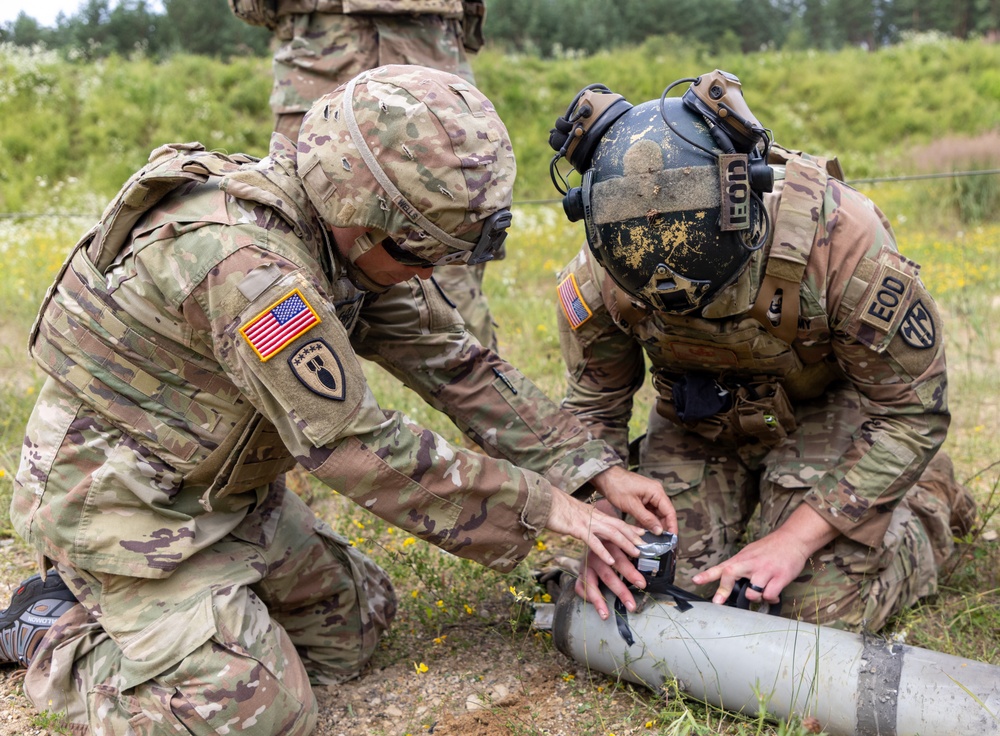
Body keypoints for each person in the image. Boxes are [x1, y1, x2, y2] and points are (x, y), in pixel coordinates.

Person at [0, 65, 674, 735]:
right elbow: (354, 444)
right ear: (361, 214)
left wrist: (591, 470)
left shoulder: (346, 245)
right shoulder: (249, 268)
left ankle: (190, 609)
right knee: (257, 713)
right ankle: (50, 626)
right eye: (419, 252)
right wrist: (545, 507)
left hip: (226, 495)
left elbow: (458, 365)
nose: (429, 272)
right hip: (123, 503)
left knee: (356, 624)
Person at [547, 70, 977, 630]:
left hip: (824, 412)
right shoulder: (600, 273)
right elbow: (593, 410)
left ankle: (927, 501)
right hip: (695, 423)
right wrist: (602, 520)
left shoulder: (840, 240)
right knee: (648, 590)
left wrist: (795, 540)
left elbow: (912, 411)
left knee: (814, 610)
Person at [228, 0, 499, 350]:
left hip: (351, 65)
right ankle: (315, 386)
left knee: (446, 255)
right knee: (296, 253)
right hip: (382, 65)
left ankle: (475, 381)